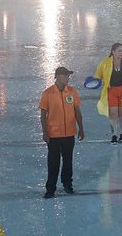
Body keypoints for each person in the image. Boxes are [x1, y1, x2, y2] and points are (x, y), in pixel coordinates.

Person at [40, 66, 85, 199]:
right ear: (58, 76)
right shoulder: (48, 93)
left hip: (69, 134)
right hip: (53, 135)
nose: (67, 78)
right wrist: (45, 132)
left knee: (68, 161)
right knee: (53, 163)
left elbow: (77, 111)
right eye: (65, 75)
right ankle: (50, 188)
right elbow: (43, 115)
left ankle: (67, 184)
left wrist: (81, 128)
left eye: (68, 75)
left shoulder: (72, 92)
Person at [94, 43, 122, 145]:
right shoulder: (105, 63)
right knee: (113, 114)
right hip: (111, 91)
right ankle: (114, 134)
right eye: (119, 51)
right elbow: (98, 75)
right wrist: (95, 81)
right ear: (113, 52)